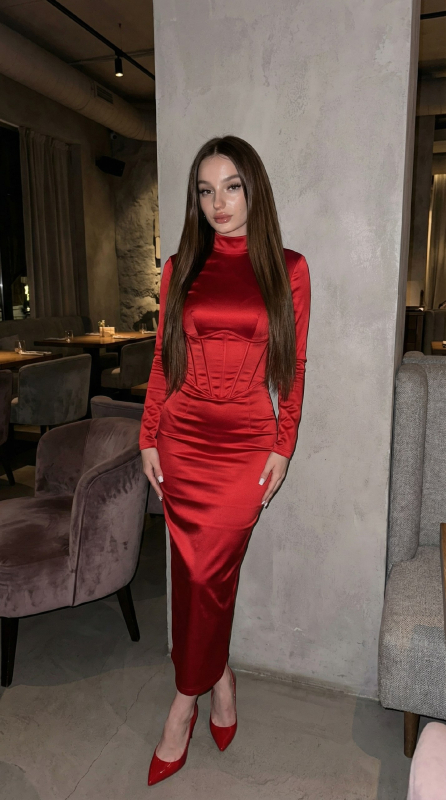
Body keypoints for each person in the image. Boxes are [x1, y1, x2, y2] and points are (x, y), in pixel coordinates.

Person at [139, 135, 311, 786]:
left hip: (244, 446)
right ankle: (218, 681)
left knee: (211, 574)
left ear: (253, 190)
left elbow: (293, 367)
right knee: (192, 574)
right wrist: (148, 435)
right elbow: (163, 361)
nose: (219, 202)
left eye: (232, 187)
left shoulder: (289, 268)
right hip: (181, 438)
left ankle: (184, 701)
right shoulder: (180, 266)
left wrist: (283, 445)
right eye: (206, 190)